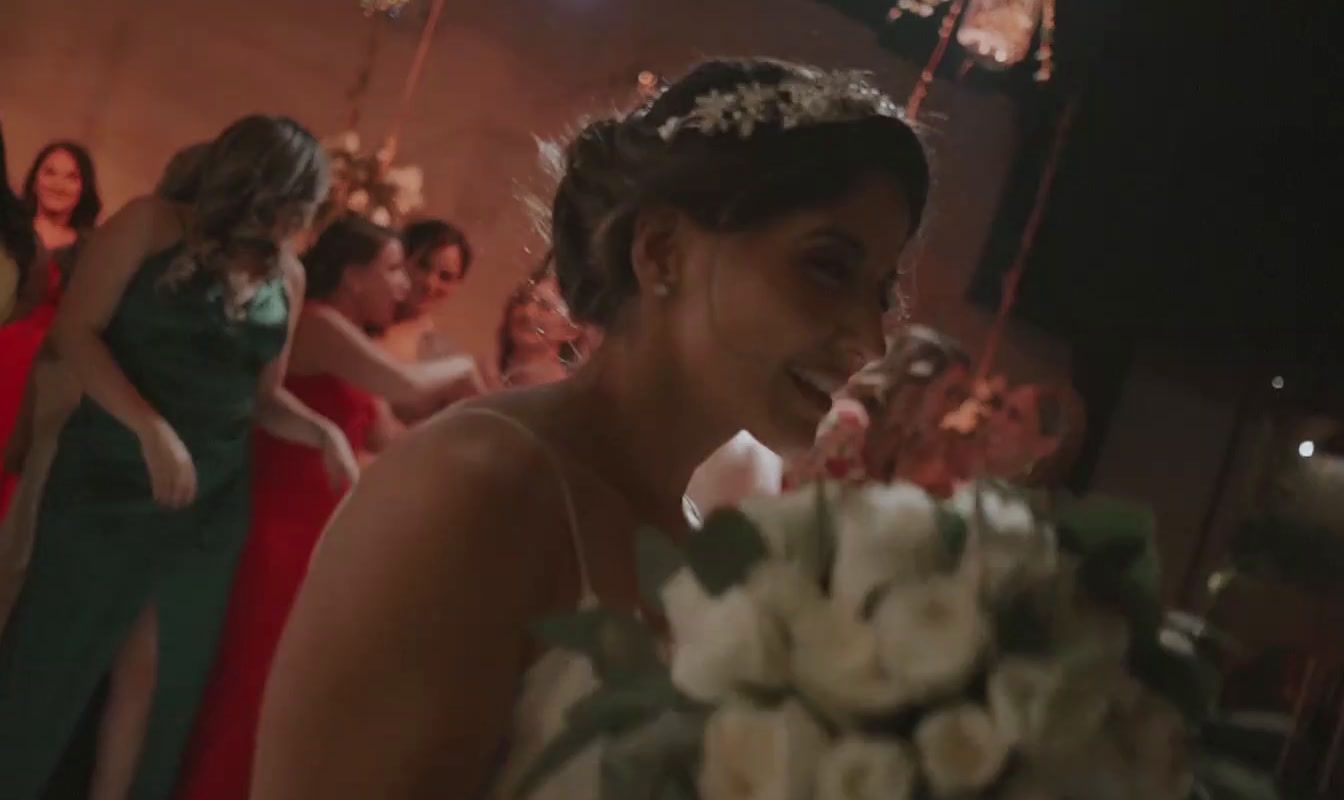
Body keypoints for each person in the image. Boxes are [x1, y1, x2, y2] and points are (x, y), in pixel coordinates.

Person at [253, 58, 930, 798]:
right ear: (663, 251)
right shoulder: (482, 488)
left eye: (882, 293)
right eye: (828, 268)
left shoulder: (696, 545)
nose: (870, 341)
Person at [0, 115, 358, 800]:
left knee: (159, 680)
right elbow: (77, 333)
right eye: (306, 199)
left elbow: (263, 397)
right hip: (111, 475)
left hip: (210, 497)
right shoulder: (150, 224)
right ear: (269, 186)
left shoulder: (291, 274)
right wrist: (149, 430)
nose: (309, 215)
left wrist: (324, 434)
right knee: (53, 661)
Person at [174, 214, 480, 800]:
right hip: (277, 527)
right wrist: (466, 370)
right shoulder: (317, 324)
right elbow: (410, 385)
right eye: (393, 269)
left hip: (315, 530)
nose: (403, 285)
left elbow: (387, 440)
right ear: (352, 273)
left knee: (274, 692)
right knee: (249, 688)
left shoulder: (349, 336)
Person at [378, 218, 474, 363]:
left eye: (445, 277)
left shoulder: (438, 357)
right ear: (399, 258)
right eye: (423, 266)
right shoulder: (357, 312)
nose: (430, 283)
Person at [494, 266, 586, 388]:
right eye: (523, 300)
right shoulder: (488, 374)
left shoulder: (555, 391)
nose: (528, 312)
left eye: (545, 307)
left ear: (570, 331)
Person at [22, 139, 102, 276]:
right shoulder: (9, 230)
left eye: (71, 177)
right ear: (34, 181)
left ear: (84, 190)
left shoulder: (92, 250)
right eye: (50, 173)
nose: (58, 185)